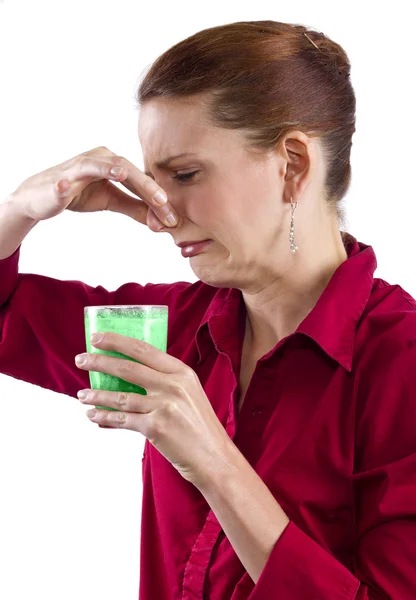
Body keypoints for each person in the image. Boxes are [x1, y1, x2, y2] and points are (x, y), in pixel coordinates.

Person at [1, 19, 415, 600]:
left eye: (187, 175)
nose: (158, 214)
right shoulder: (168, 327)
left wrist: (215, 463)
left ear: (292, 164)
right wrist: (21, 208)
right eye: (153, 182)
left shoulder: (401, 361)